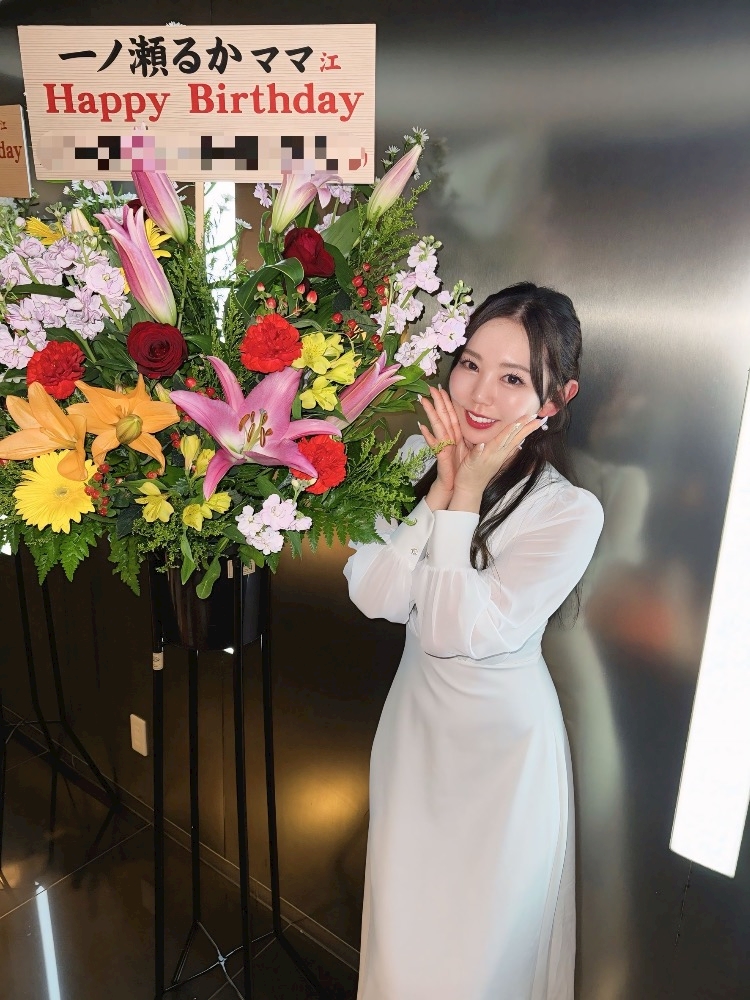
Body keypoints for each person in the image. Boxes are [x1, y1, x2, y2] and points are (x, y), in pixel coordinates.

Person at [344, 282, 605, 1000]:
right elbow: (374, 595)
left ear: (557, 399)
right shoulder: (415, 457)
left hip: (502, 757)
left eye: (513, 378)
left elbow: (451, 632)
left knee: (483, 960)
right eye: (469, 364)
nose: (479, 394)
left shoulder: (568, 513)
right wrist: (436, 491)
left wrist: (464, 497)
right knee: (403, 941)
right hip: (415, 736)